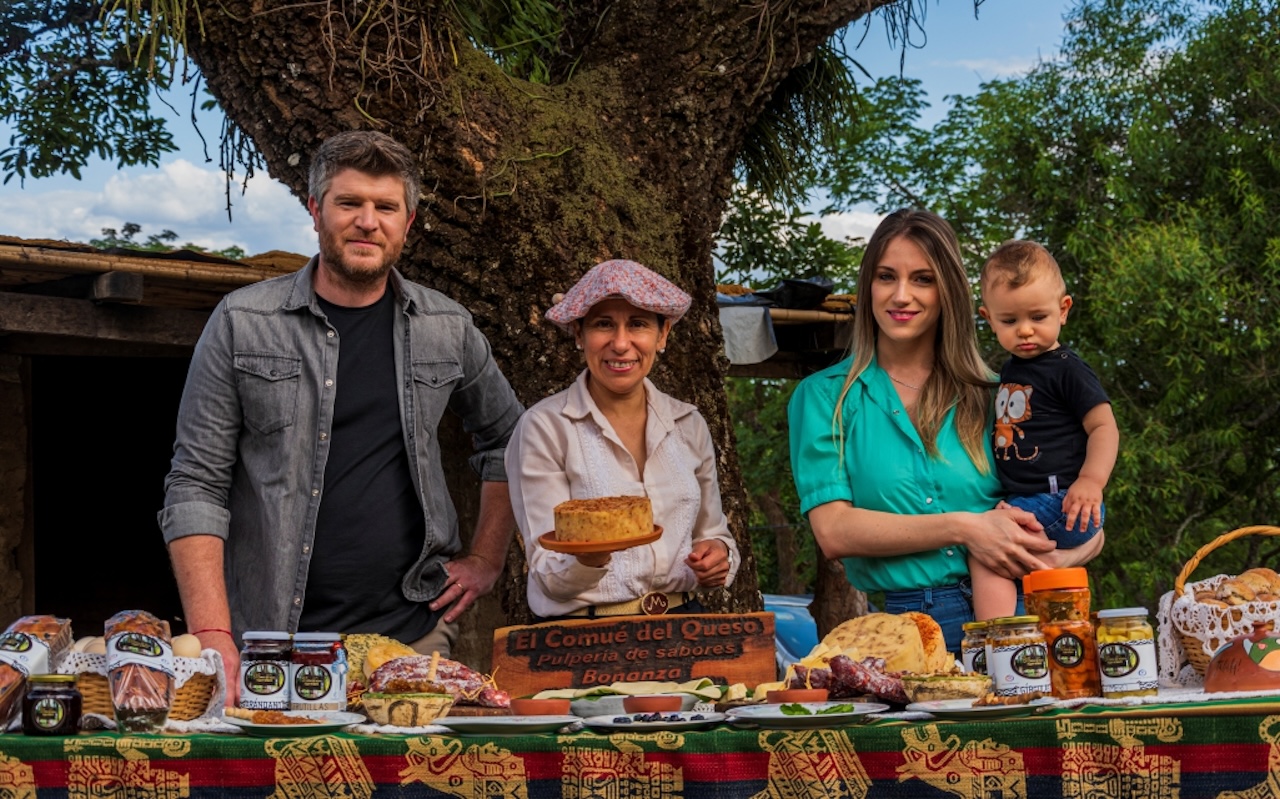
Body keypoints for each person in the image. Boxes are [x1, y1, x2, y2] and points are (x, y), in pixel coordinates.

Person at [158, 130, 524, 702]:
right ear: (315, 211)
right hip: (268, 646)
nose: (367, 221)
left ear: (409, 220)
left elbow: (510, 441)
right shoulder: (242, 322)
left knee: (412, 790)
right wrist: (212, 634)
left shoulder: (447, 328)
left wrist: (485, 560)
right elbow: (194, 484)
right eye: (349, 203)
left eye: (385, 207)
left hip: (412, 639)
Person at [788, 209, 1087, 653]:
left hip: (1025, 607)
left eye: (923, 279)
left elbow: (1072, 500)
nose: (902, 295)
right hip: (911, 628)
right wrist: (966, 528)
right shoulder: (825, 398)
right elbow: (834, 531)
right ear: (868, 284)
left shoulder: (997, 394)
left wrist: (1063, 556)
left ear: (948, 291)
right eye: (887, 276)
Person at [506, 259, 739, 620]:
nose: (620, 343)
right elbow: (547, 571)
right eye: (603, 325)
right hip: (582, 634)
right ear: (578, 334)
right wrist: (590, 558)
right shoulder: (544, 428)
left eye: (638, 324)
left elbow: (711, 532)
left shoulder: (688, 424)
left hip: (683, 627)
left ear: (662, 335)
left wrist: (716, 556)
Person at [971, 240, 1117, 619]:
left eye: (1037, 317)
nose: (1024, 331)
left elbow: (1103, 426)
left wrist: (1091, 481)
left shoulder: (1067, 368)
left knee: (988, 545)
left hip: (1064, 501)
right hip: (1037, 499)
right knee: (1002, 544)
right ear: (988, 318)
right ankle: (1045, 629)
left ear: (1063, 310)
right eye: (1009, 321)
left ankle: (1001, 637)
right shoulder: (1011, 369)